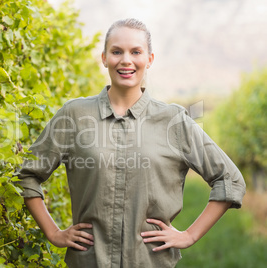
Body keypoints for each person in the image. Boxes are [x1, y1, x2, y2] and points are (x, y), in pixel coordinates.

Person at [17, 18, 246, 268]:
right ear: (104, 58)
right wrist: (54, 233)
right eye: (117, 52)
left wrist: (189, 235)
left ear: (149, 59)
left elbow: (229, 179)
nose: (126, 60)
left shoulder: (174, 121)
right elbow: (28, 175)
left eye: (136, 52)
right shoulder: (74, 116)